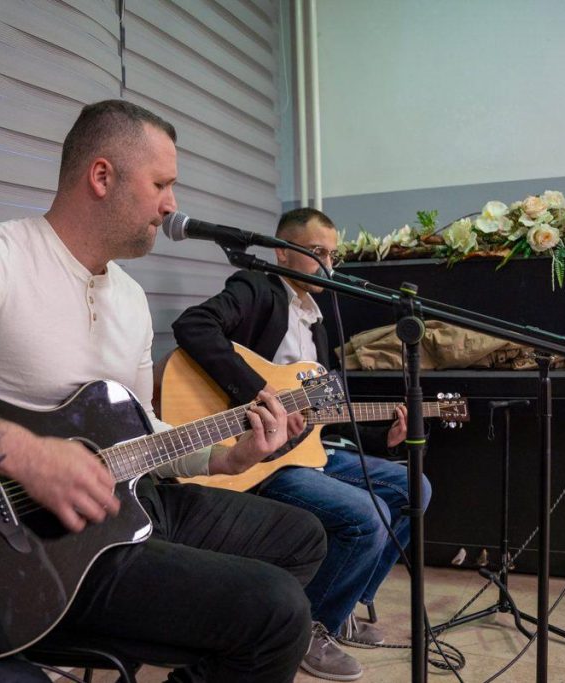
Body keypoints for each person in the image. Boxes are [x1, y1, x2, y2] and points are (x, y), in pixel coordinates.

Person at [0, 100, 327, 683]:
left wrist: (224, 458)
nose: (171, 205)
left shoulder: (130, 298)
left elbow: (139, 429)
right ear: (102, 176)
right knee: (277, 611)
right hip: (28, 546)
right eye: (161, 184)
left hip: (131, 501)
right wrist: (26, 455)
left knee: (303, 537)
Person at [172, 207, 433, 681]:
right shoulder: (257, 289)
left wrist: (384, 436)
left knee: (415, 487)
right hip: (260, 458)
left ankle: (344, 605)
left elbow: (323, 415)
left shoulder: (318, 323)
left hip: (305, 453)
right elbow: (194, 326)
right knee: (366, 514)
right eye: (316, 252)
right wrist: (261, 394)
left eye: (332, 255)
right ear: (282, 252)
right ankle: (307, 629)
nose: (327, 264)